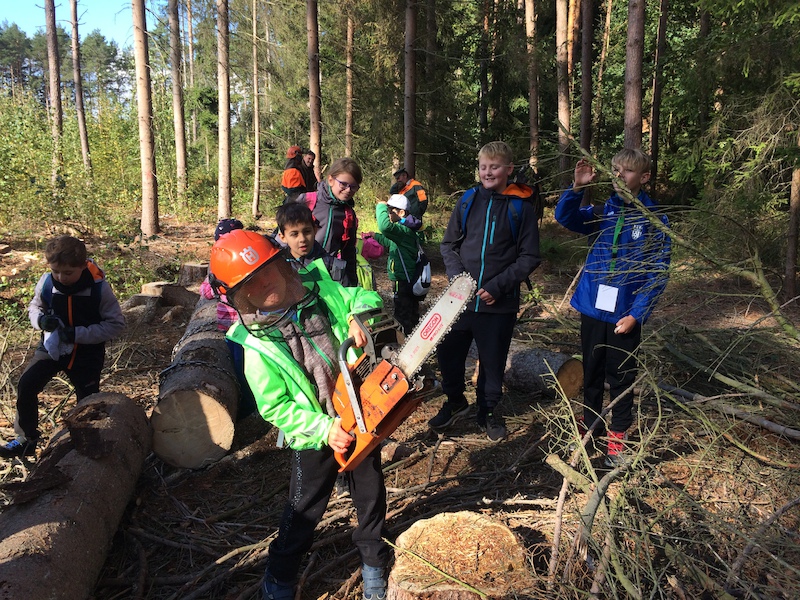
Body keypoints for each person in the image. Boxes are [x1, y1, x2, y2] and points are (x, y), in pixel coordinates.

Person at [208, 230, 390, 600]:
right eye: (252, 283)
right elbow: (275, 406)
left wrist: (359, 315)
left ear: (282, 265)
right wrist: (323, 428)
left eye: (268, 272)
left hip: (358, 410)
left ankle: (374, 561)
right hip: (316, 435)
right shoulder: (256, 345)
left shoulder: (321, 290)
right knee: (303, 509)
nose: (265, 283)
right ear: (240, 296)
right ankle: (280, 576)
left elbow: (364, 297)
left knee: (371, 493)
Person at [555, 149, 671, 467]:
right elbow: (565, 218)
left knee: (621, 376)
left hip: (625, 314)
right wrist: (577, 188)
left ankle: (617, 438)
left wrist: (637, 314)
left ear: (644, 177)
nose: (618, 176)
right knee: (591, 371)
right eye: (615, 170)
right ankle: (590, 425)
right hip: (593, 308)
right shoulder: (602, 211)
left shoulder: (654, 220)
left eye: (626, 171)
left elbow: (657, 272)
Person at [429, 141, 541, 442]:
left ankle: (488, 411)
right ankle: (455, 401)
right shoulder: (467, 201)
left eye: (494, 167)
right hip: (459, 302)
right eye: (483, 167)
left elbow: (529, 256)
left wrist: (497, 287)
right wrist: (458, 279)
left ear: (509, 170)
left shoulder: (520, 208)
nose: (488, 172)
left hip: (499, 304)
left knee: (492, 361)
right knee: (448, 353)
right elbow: (448, 245)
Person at [0, 235, 125, 458]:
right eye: (56, 271)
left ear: (83, 266)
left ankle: (87, 444)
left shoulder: (99, 289)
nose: (61, 277)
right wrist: (40, 321)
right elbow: (35, 307)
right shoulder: (47, 283)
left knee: (87, 401)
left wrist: (77, 334)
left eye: (68, 273)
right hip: (51, 348)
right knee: (27, 384)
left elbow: (115, 325)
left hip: (87, 354)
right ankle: (26, 439)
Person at [200, 218, 257, 418]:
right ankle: (245, 402)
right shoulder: (218, 268)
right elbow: (206, 292)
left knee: (247, 366)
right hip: (232, 328)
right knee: (237, 366)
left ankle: (250, 404)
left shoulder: (248, 265)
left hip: (248, 326)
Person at [288, 157, 361, 287]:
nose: (348, 190)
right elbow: (283, 235)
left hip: (326, 275)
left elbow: (349, 253)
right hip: (295, 271)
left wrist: (352, 287)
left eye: (353, 186)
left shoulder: (348, 214)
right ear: (331, 180)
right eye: (343, 184)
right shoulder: (307, 201)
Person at [371, 194, 423, 335]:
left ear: (401, 213)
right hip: (409, 277)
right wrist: (375, 236)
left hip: (403, 279)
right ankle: (414, 336)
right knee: (411, 311)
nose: (388, 214)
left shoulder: (404, 230)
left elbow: (384, 227)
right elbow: (390, 241)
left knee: (402, 314)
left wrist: (381, 206)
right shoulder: (406, 229)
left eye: (390, 211)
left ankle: (404, 339)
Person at [275, 202, 347, 284]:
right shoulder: (278, 266)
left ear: (315, 230)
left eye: (307, 232)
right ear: (283, 237)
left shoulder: (332, 267)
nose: (302, 239)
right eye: (294, 234)